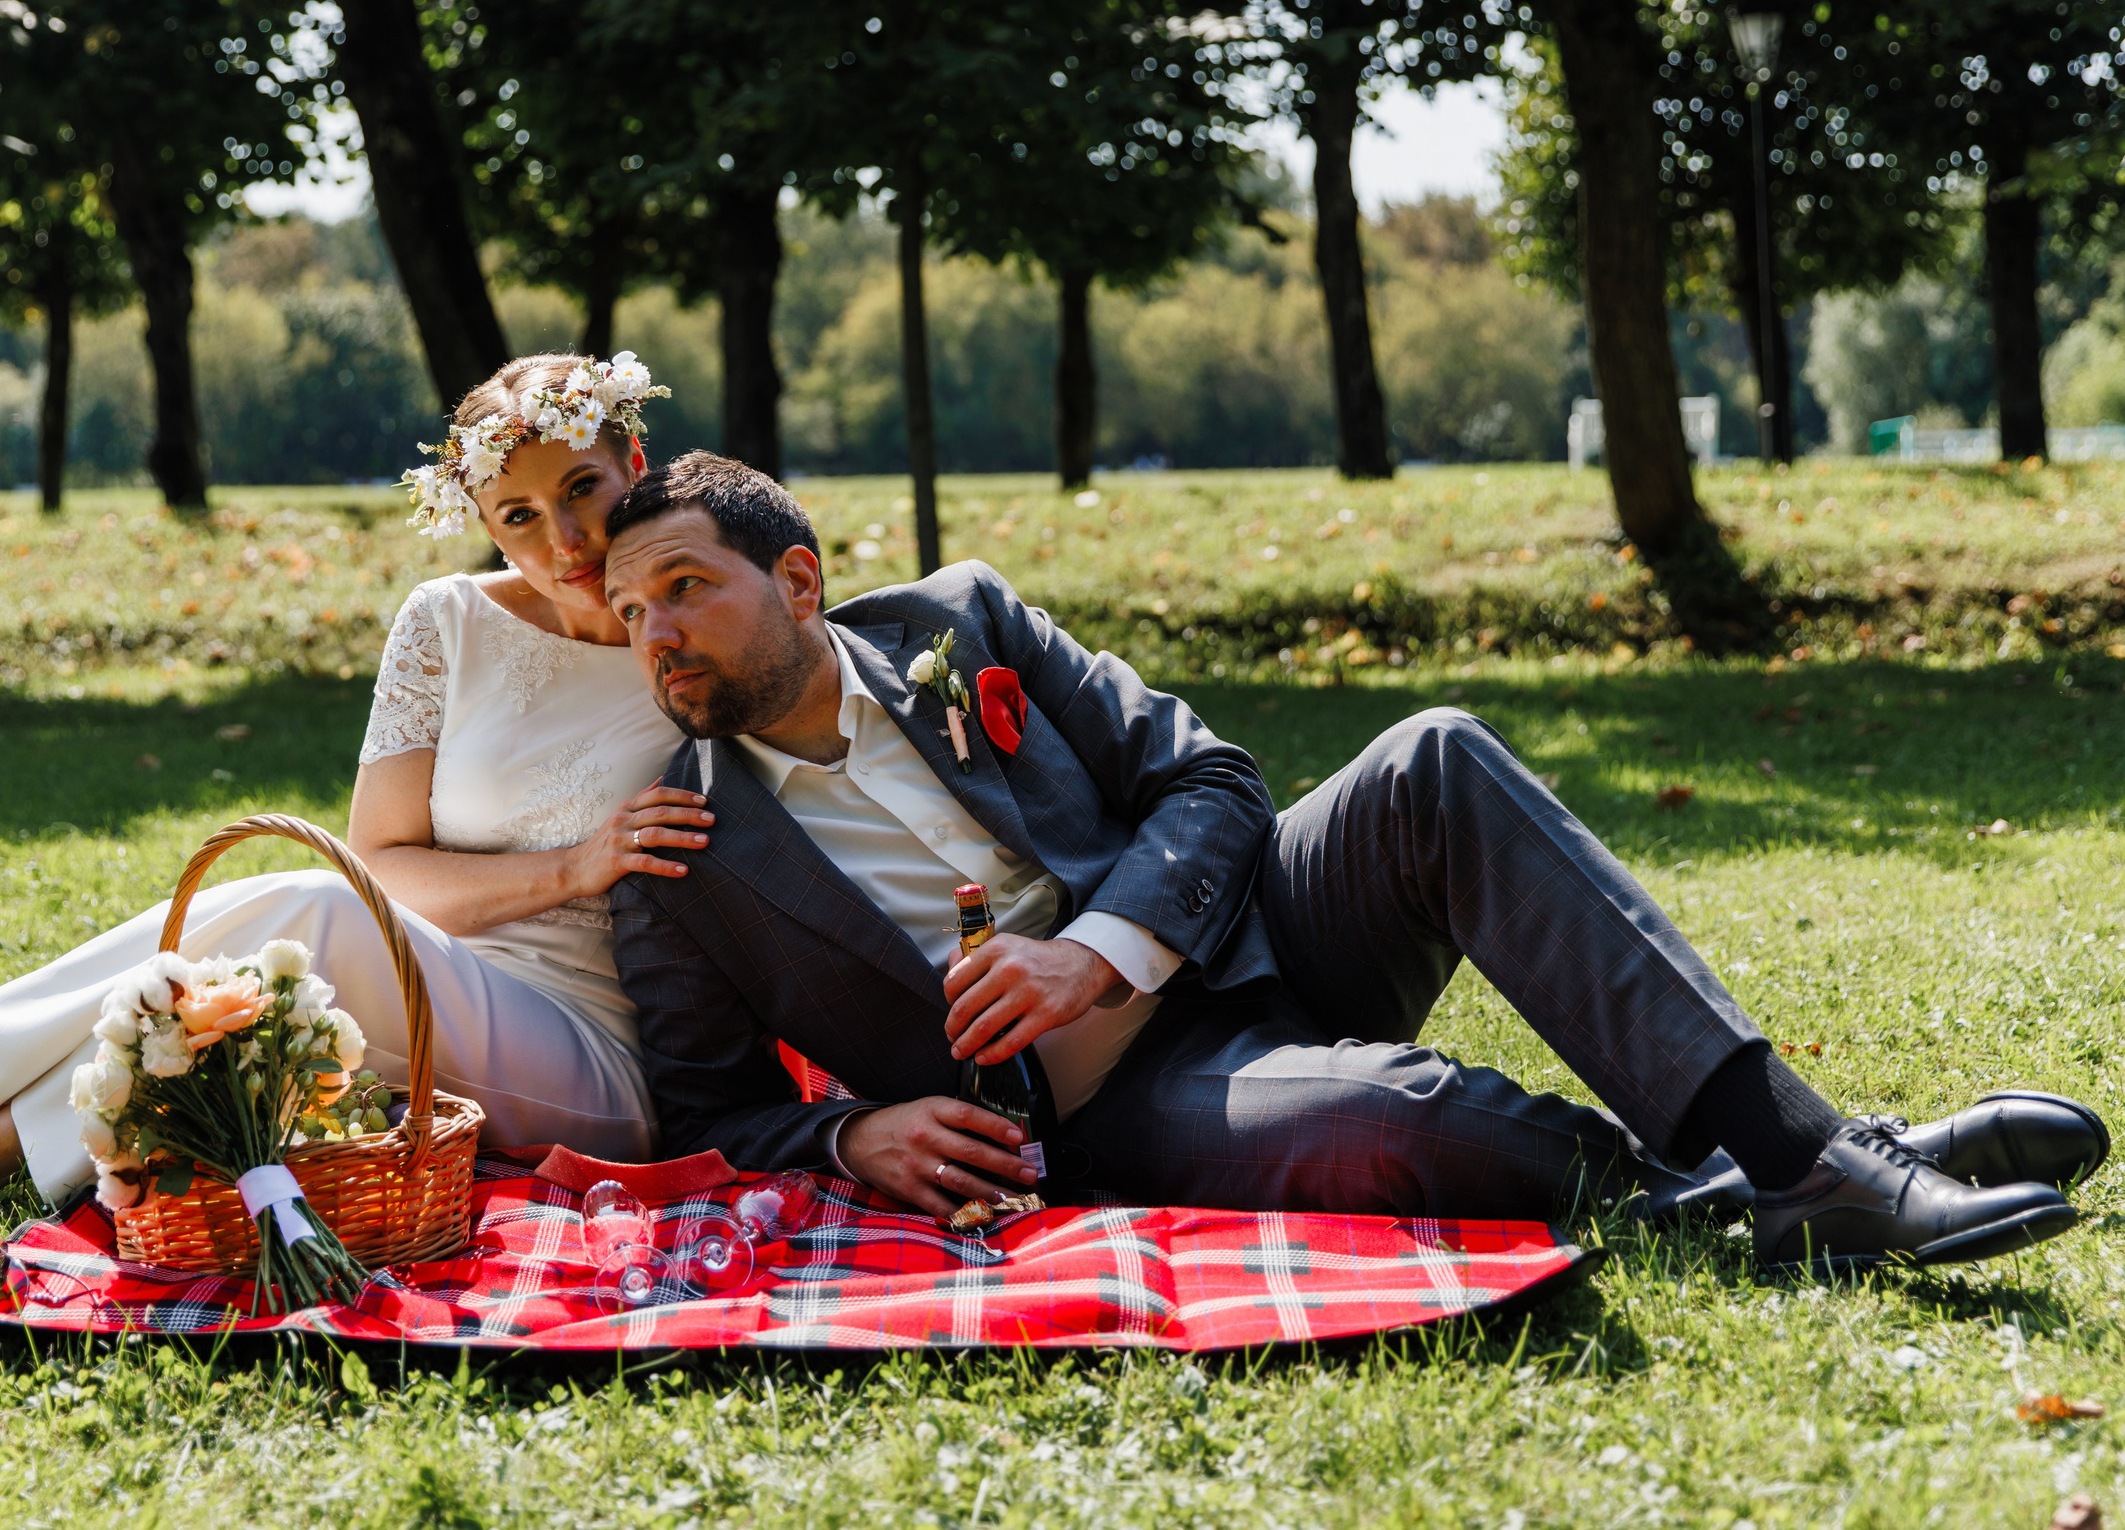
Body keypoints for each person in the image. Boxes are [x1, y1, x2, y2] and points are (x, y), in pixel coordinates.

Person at [598, 453, 2108, 1272]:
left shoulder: (960, 623)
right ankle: (1815, 1168)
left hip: (1250, 937)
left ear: (797, 579)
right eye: (630, 614)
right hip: (1112, 1103)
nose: (655, 634)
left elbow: (1210, 782)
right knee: (1405, 1121)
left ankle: (1805, 1161)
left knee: (1435, 753)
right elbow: (706, 1111)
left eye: (685, 588)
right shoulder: (677, 848)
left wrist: (1097, 948)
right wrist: (852, 1140)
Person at [0, 353, 707, 1246]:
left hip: (594, 1055)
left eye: (583, 491)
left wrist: (585, 882)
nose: (563, 539)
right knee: (273, 928)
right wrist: (563, 862)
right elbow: (386, 864)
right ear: (479, 521)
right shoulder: (445, 622)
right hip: (411, 979)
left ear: (633, 458)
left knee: (299, 915)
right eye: (515, 514)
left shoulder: (702, 630)